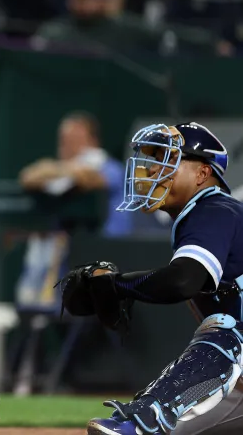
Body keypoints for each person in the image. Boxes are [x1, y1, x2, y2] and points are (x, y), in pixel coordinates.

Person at [54, 122, 243, 435]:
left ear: (202, 175)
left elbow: (183, 280)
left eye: (168, 160)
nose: (153, 171)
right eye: (153, 161)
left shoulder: (213, 209)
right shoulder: (205, 216)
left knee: (225, 326)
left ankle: (145, 418)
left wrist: (118, 284)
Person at [20, 111, 133, 237]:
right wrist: (59, 170)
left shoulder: (111, 168)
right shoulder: (58, 171)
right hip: (71, 245)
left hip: (111, 245)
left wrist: (57, 170)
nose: (70, 148)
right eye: (65, 141)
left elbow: (90, 179)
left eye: (76, 141)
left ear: (93, 142)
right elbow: (27, 178)